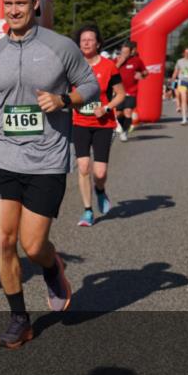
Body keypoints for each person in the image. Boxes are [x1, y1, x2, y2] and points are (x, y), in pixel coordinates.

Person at [0, 0, 99, 349]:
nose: (14, 10)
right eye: (8, 4)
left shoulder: (61, 47)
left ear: (35, 5)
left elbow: (90, 86)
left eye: (21, 4)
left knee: (32, 243)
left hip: (47, 158)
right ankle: (19, 319)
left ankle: (51, 265)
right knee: (4, 239)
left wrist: (63, 101)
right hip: (4, 154)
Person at [72, 25, 126, 227]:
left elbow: (120, 94)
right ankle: (87, 211)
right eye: (83, 40)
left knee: (100, 172)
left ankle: (100, 190)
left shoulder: (109, 66)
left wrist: (107, 107)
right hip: (80, 122)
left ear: (98, 43)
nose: (86, 42)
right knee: (83, 167)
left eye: (90, 39)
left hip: (103, 123)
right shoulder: (73, 66)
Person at [114, 40, 147, 142]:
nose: (123, 54)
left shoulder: (137, 61)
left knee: (128, 112)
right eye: (122, 52)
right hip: (119, 92)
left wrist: (141, 75)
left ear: (131, 52)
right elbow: (111, 72)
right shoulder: (116, 60)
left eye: (126, 53)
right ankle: (122, 126)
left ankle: (125, 132)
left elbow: (145, 72)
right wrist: (120, 62)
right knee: (119, 113)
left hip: (131, 91)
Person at [171, 48, 188, 125]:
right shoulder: (179, 61)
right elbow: (176, 71)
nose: (187, 54)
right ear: (183, 53)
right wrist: (173, 78)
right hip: (182, 81)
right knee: (183, 98)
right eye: (185, 52)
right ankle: (184, 119)